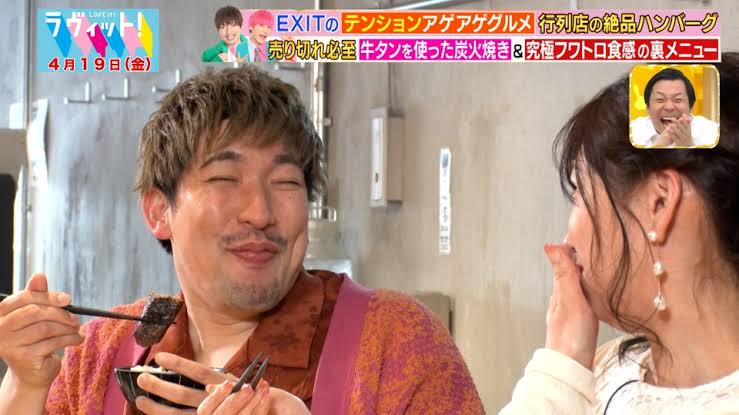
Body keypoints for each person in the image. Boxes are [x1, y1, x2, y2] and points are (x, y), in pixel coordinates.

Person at [0, 65, 484, 414]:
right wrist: (24, 386)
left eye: (286, 182)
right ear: (159, 211)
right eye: (225, 179)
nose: (260, 213)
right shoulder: (97, 357)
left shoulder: (395, 343)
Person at [501, 53, 739, 414]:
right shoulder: (602, 371)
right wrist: (562, 366)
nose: (568, 241)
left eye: (580, 193)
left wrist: (558, 380)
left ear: (660, 203)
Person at [630, 67, 719, 148]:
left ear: (692, 107)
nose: (669, 107)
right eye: (660, 99)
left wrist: (688, 146)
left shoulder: (712, 132)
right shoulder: (633, 131)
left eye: (678, 99)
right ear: (647, 108)